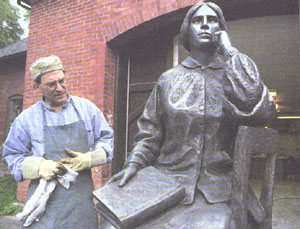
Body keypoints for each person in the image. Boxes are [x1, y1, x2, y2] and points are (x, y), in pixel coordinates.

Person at [105, 2, 275, 229]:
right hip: (166, 182)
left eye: (213, 20)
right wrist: (133, 165)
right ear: (187, 30)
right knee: (112, 223)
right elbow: (149, 135)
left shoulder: (233, 76)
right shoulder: (168, 80)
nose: (205, 24)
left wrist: (229, 52)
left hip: (218, 188)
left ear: (221, 31)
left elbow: (258, 107)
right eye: (197, 20)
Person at [3, 55, 114, 228]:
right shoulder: (26, 119)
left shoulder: (87, 109)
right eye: (51, 84)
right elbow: (12, 155)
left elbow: (107, 139)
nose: (60, 88)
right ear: (37, 86)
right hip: (45, 206)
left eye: (62, 81)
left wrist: (90, 159)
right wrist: (39, 167)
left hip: (81, 204)